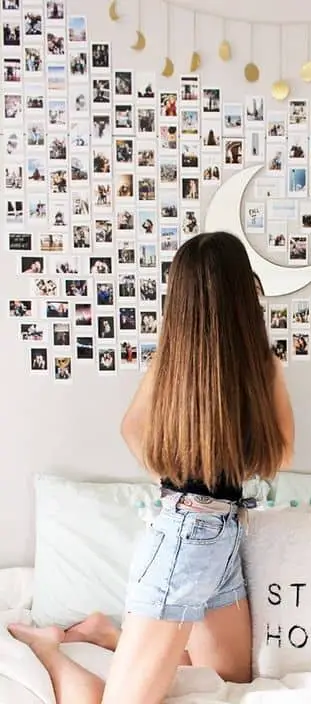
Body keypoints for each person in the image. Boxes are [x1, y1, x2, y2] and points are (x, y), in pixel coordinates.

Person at [9, 231, 295, 704]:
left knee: (229, 683)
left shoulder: (204, 364)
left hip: (223, 538)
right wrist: (180, 481)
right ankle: (49, 649)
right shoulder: (219, 366)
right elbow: (281, 455)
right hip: (185, 539)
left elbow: (132, 430)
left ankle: (109, 635)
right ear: (245, 295)